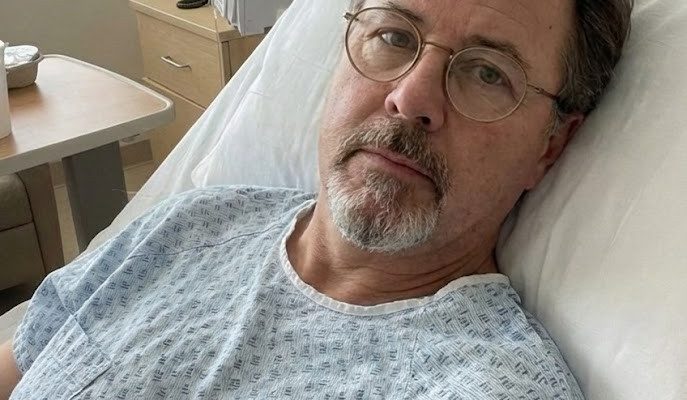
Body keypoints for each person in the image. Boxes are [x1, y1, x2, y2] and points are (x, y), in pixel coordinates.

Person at [0, 0, 633, 398]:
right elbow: (23, 360)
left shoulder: (486, 385)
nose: (411, 98)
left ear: (550, 146)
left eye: (488, 73)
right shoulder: (191, 222)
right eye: (395, 36)